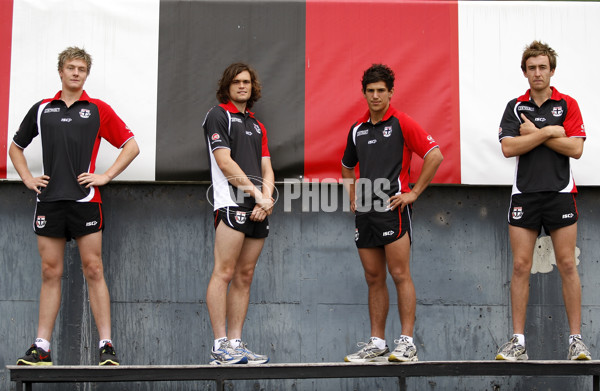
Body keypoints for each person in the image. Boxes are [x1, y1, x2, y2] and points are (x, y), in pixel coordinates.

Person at [10, 46, 139, 366]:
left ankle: (106, 347)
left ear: (86, 74)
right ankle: (41, 348)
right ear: (61, 71)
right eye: (71, 67)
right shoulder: (42, 108)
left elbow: (131, 146)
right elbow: (15, 147)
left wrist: (106, 175)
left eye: (82, 68)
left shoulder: (97, 109)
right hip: (49, 201)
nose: (76, 73)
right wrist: (27, 178)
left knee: (94, 269)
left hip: (85, 201)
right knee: (50, 271)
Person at [341, 64, 443, 363]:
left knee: (399, 274)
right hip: (366, 212)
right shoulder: (357, 129)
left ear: (390, 92)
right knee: (373, 277)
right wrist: (352, 195)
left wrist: (413, 193)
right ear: (364, 93)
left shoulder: (401, 122)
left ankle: (407, 343)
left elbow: (434, 155)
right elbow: (347, 166)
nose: (375, 96)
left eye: (381, 91)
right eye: (370, 91)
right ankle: (377, 343)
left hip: (393, 210)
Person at [496, 41, 591, 361]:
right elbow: (509, 148)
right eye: (531, 68)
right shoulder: (515, 107)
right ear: (524, 72)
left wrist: (534, 133)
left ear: (552, 70)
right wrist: (551, 131)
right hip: (524, 193)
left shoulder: (568, 104)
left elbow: (576, 149)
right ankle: (518, 342)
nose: (537, 73)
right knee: (521, 266)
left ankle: (576, 341)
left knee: (567, 265)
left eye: (542, 67)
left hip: (560, 192)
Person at [203, 63, 274, 365]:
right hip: (231, 205)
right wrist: (257, 195)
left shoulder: (257, 125)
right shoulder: (218, 116)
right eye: (236, 82)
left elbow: (267, 167)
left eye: (246, 82)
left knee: (244, 276)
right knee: (225, 272)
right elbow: (225, 162)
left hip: (259, 208)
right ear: (227, 86)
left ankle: (236, 344)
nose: (242, 86)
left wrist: (266, 199)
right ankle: (220, 346)